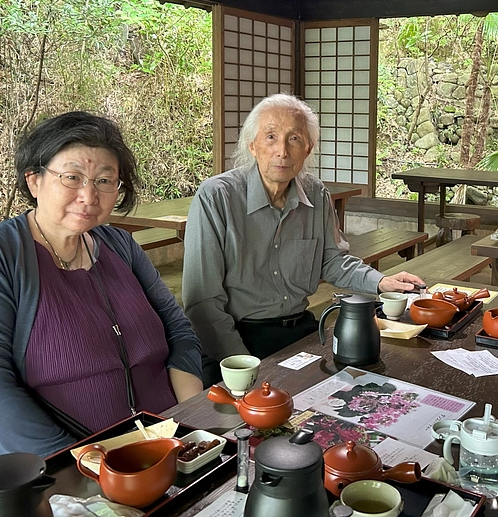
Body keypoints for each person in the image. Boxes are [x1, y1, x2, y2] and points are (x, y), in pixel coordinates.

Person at [0, 112, 204, 508]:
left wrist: (188, 421)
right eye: (71, 177)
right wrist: (91, 473)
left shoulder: (120, 246)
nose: (89, 196)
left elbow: (178, 330)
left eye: (105, 181)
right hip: (34, 477)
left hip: (150, 458)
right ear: (34, 180)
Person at [182, 93, 424, 385]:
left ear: (307, 149)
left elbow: (333, 261)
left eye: (294, 139)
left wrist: (381, 282)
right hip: (236, 337)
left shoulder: (316, 193)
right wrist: (244, 366)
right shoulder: (217, 197)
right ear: (253, 146)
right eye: (270, 137)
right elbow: (203, 303)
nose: (282, 150)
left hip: (301, 332)